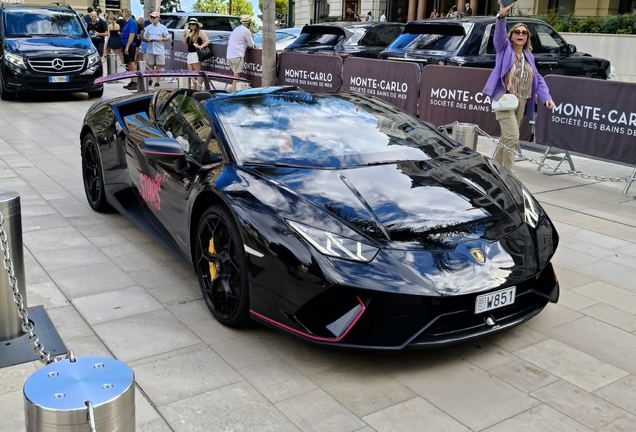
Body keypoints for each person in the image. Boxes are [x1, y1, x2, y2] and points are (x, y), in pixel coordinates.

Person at [482, 1, 555, 172]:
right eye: (517, 32)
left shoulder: (528, 56)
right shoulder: (504, 49)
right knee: (512, 137)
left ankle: (492, 170)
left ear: (527, 37)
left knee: (506, 138)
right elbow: (499, 35)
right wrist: (502, 15)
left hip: (522, 100)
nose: (520, 35)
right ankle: (508, 174)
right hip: (505, 98)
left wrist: (546, 97)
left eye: (524, 33)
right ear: (512, 35)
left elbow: (537, 77)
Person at [226, 15, 255, 91]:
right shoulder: (246, 31)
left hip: (229, 55)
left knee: (238, 74)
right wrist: (251, 31)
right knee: (237, 75)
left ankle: (237, 89)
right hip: (237, 55)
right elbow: (251, 45)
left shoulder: (236, 29)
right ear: (249, 23)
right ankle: (233, 90)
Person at [182, 18, 210, 89]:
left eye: (193, 24)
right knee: (191, 73)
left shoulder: (200, 32)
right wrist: (184, 35)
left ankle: (199, 88)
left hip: (196, 53)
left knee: (198, 73)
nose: (191, 26)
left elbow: (207, 41)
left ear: (197, 25)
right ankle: (193, 87)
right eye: (190, 24)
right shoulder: (189, 33)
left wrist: (200, 46)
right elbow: (184, 42)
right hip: (190, 54)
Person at [144, 11, 169, 87]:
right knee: (150, 65)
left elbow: (168, 37)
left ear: (158, 18)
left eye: (153, 17)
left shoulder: (163, 27)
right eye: (151, 17)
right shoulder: (148, 27)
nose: (152, 19)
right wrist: (147, 39)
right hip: (150, 48)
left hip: (159, 49)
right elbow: (144, 36)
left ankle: (158, 81)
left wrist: (161, 39)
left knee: (159, 66)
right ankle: (150, 79)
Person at [121, 9, 138, 90]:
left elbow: (131, 35)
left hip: (130, 45)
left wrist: (127, 46)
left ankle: (135, 81)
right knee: (128, 63)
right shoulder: (127, 22)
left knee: (131, 62)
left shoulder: (131, 22)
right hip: (125, 44)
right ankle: (132, 80)